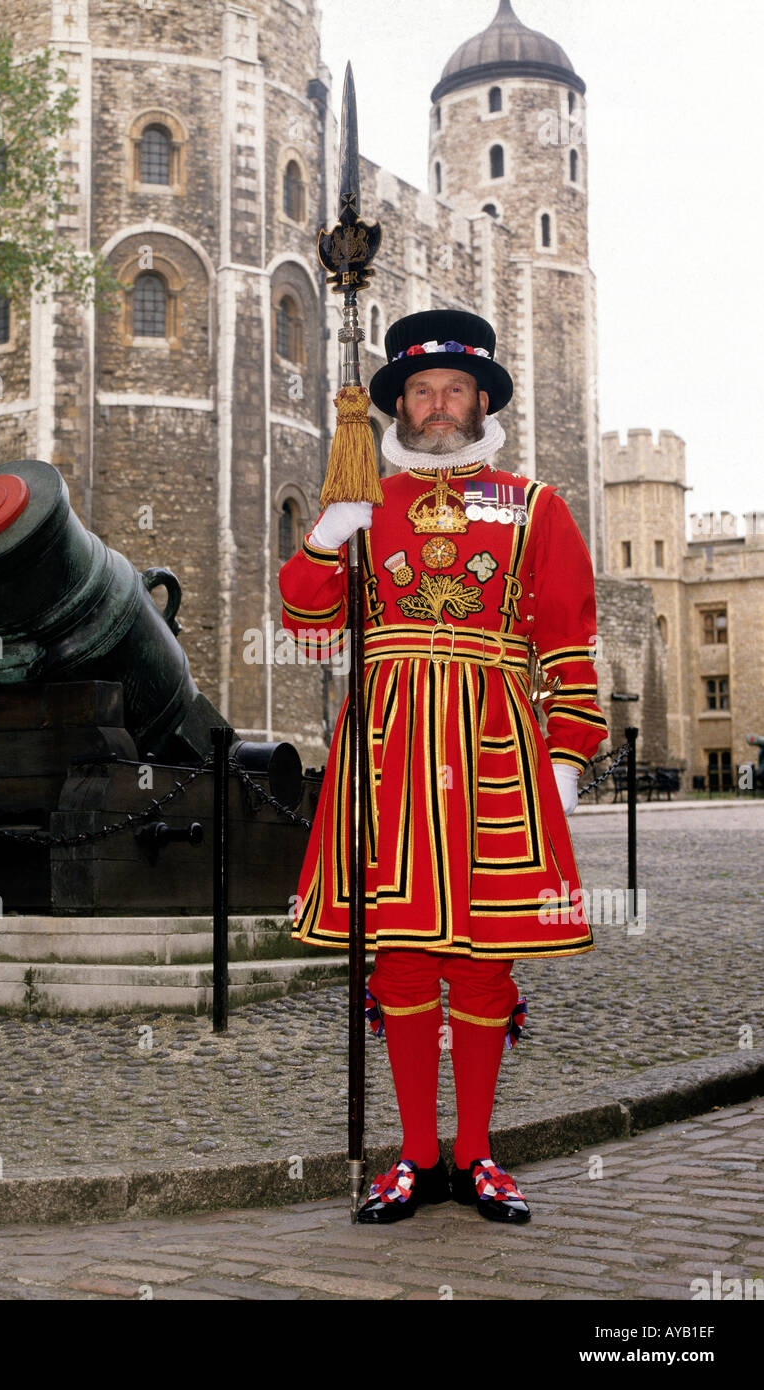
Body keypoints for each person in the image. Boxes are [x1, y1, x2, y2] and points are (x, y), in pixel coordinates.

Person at [278, 309, 607, 1224]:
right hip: (385, 748)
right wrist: (322, 537)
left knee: (486, 963)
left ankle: (476, 1154)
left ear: (480, 401)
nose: (435, 405)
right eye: (419, 391)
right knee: (402, 962)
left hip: (495, 746)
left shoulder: (533, 504)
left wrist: (569, 754)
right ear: (397, 405)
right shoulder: (365, 498)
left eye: (453, 389)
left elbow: (569, 642)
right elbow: (306, 629)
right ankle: (416, 1159)